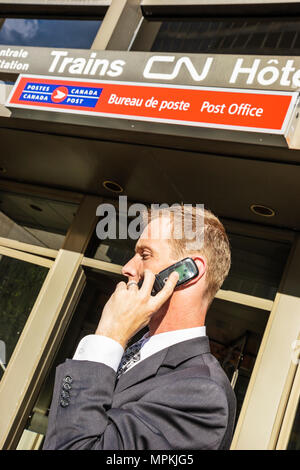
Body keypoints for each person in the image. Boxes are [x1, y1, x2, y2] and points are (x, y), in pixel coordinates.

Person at [43, 205, 236, 450]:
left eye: (145, 255)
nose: (128, 268)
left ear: (190, 271)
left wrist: (108, 336)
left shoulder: (202, 393)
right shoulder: (129, 351)